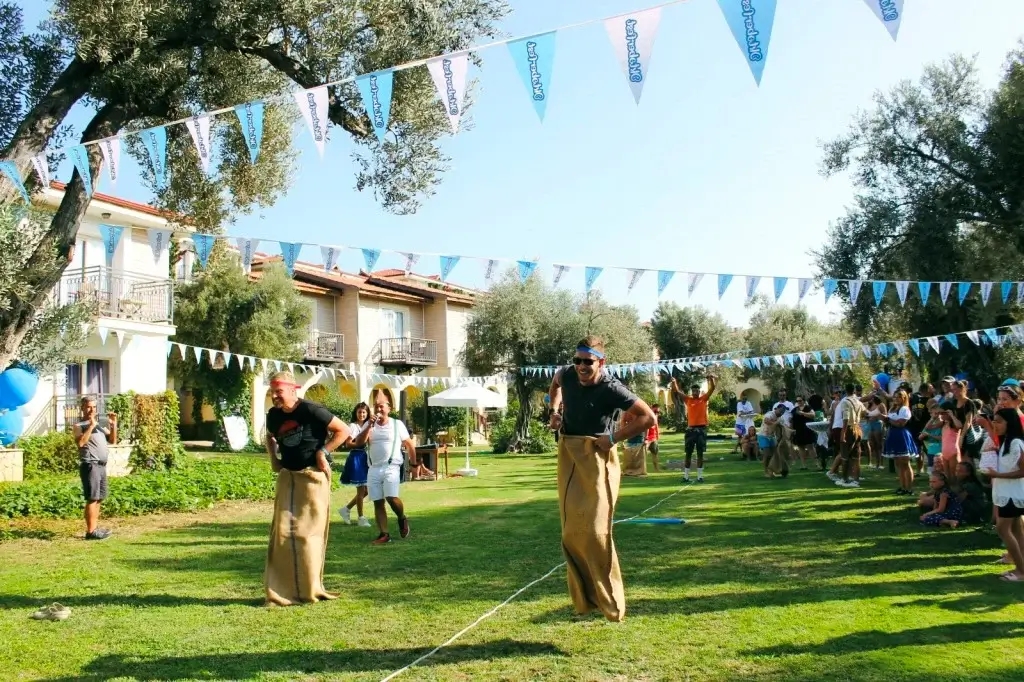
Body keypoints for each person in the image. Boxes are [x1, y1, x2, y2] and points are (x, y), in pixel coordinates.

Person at [548, 335, 656, 622]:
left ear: (601, 362)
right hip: (569, 453)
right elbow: (555, 384)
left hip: (597, 455)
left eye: (588, 362)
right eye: (578, 360)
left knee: (596, 532)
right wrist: (554, 412)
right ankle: (585, 600)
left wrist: (613, 438)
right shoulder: (566, 374)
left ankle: (611, 602)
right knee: (571, 533)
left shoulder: (612, 388)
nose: (581, 366)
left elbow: (648, 418)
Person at [264, 371, 350, 606]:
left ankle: (309, 590)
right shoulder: (273, 415)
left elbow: (343, 430)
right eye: (272, 392)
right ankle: (281, 592)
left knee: (308, 535)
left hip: (312, 477)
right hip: (288, 477)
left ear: (294, 389)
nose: (275, 396)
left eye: (279, 391)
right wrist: (273, 458)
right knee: (282, 535)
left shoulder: (311, 410)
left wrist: (323, 451)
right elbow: (270, 437)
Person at [351, 394, 418, 545]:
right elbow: (359, 443)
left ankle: (401, 517)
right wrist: (369, 426)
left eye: (381, 406)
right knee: (378, 501)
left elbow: (409, 445)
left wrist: (414, 465)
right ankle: (384, 534)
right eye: (376, 406)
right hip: (373, 468)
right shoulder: (369, 424)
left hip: (391, 466)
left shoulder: (397, 424)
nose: (378, 409)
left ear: (389, 408)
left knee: (391, 497)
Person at [981, 408, 1024, 582]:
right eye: (994, 421)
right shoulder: (1006, 441)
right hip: (1006, 492)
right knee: (1017, 531)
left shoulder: (1016, 443)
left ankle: (1021, 572)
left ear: (1010, 423)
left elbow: (1022, 471)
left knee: (1002, 529)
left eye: (999, 421)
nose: (995, 424)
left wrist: (997, 475)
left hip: (1013, 494)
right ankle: (1020, 568)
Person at [73, 396, 117, 541]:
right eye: (88, 407)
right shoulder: (79, 426)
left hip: (101, 466)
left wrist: (113, 425)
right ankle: (90, 532)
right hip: (90, 465)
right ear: (82, 408)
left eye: (94, 407)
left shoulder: (99, 426)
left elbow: (113, 440)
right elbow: (80, 443)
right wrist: (91, 426)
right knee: (92, 498)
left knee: (99, 498)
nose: (91, 410)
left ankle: (95, 529)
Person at [672, 374, 717, 483]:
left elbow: (712, 388)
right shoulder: (688, 400)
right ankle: (686, 476)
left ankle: (700, 476)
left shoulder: (703, 399)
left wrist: (711, 379)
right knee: (688, 453)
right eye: (693, 391)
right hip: (690, 430)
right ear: (691, 392)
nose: (695, 393)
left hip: (701, 430)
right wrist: (674, 382)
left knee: (700, 453)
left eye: (696, 391)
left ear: (699, 391)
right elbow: (677, 391)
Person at [339, 402, 373, 527]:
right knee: (361, 489)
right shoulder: (353, 426)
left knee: (366, 490)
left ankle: (346, 509)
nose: (362, 414)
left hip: (365, 457)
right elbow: (348, 443)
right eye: (359, 412)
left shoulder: (368, 425)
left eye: (364, 412)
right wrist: (359, 443)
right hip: (356, 457)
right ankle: (361, 517)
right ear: (356, 413)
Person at [882, 390, 919, 495]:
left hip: (902, 435)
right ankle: (902, 487)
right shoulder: (892, 408)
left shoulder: (905, 409)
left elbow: (900, 423)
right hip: (893, 434)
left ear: (904, 398)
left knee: (905, 463)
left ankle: (909, 488)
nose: (896, 399)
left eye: (899, 397)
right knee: (898, 463)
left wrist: (888, 419)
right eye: (895, 397)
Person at [836, 383, 865, 488]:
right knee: (856, 457)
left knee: (845, 456)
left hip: (849, 429)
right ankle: (856, 480)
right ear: (854, 390)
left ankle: (845, 479)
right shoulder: (858, 401)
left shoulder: (845, 401)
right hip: (858, 428)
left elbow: (846, 418)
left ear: (846, 390)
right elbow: (865, 412)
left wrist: (843, 433)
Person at [645, 405, 661, 472]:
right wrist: (646, 438)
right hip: (647, 439)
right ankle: (642, 469)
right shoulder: (647, 415)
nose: (657, 413)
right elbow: (646, 427)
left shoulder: (655, 416)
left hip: (653, 438)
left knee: (655, 454)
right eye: (655, 411)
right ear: (651, 408)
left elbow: (656, 425)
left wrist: (657, 435)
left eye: (658, 412)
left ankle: (656, 469)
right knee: (644, 455)